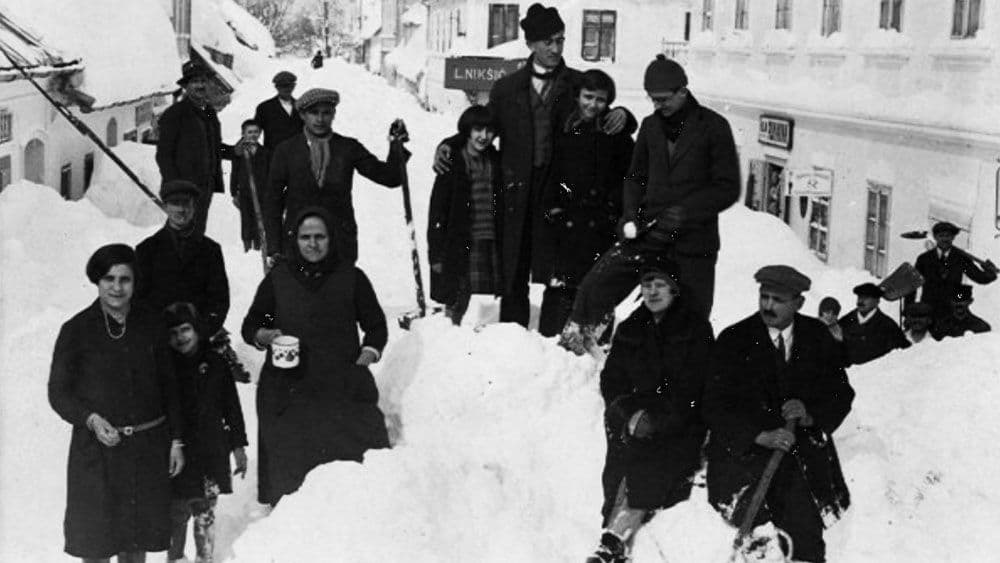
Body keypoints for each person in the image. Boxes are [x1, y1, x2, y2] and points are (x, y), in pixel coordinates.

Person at [433, 3, 634, 328]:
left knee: (561, 271)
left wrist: (625, 115)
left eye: (560, 40)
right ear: (531, 44)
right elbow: (484, 127)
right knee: (515, 268)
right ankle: (514, 339)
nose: (556, 48)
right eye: (548, 42)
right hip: (517, 196)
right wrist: (451, 144)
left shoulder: (577, 83)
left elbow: (603, 110)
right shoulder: (506, 88)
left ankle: (554, 341)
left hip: (562, 196)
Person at [561, 54, 740, 353]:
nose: (658, 106)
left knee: (690, 319)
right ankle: (576, 348)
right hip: (650, 234)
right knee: (596, 284)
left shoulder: (713, 126)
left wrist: (684, 213)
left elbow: (728, 187)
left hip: (693, 242)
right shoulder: (650, 126)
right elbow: (635, 178)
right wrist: (629, 214)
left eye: (663, 99)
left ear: (682, 91)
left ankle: (683, 380)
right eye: (652, 100)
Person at [704, 265, 854, 563]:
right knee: (757, 533)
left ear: (798, 303)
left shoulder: (817, 337)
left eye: (777, 300)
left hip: (799, 452)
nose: (768, 306)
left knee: (804, 532)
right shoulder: (734, 339)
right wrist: (759, 436)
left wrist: (810, 415)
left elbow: (841, 393)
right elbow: (713, 403)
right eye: (764, 296)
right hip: (745, 453)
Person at [242, 207, 390, 505]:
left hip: (339, 383)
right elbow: (251, 324)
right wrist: (265, 336)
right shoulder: (279, 278)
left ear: (331, 239)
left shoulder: (351, 277)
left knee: (356, 474)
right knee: (293, 473)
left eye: (319, 237)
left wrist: (368, 355)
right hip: (289, 384)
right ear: (294, 240)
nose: (312, 244)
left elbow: (376, 326)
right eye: (305, 237)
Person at [49, 244, 184, 563]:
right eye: (109, 279)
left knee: (135, 542)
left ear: (135, 283)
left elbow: (170, 388)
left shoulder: (152, 325)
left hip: (144, 451)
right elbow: (58, 393)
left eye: (125, 279)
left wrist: (176, 440)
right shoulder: (76, 331)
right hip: (96, 455)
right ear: (97, 281)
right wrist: (91, 419)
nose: (117, 287)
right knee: (96, 543)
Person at [585, 257, 712, 563]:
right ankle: (616, 530)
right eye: (647, 285)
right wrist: (628, 413)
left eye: (660, 285)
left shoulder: (694, 328)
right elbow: (612, 379)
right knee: (625, 458)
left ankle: (614, 538)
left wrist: (659, 420)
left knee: (648, 456)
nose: (653, 292)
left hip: (681, 418)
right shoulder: (632, 327)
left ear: (674, 290)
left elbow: (698, 385)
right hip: (634, 416)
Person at [536, 69, 634, 337]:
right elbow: (553, 171)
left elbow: (629, 178)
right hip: (565, 225)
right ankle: (550, 342)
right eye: (588, 97)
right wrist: (553, 207)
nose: (593, 104)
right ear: (577, 96)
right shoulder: (566, 128)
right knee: (560, 289)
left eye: (600, 100)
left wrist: (613, 212)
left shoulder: (618, 135)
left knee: (597, 288)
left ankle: (592, 349)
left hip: (600, 227)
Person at [264, 88, 409, 264]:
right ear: (302, 115)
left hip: (340, 245)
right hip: (298, 244)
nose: (320, 119)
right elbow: (273, 201)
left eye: (326, 113)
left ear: (334, 114)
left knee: (340, 291)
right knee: (299, 291)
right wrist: (274, 248)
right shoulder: (286, 151)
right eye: (313, 113)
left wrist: (396, 146)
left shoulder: (347, 148)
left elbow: (390, 177)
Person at [163, 302, 247, 563]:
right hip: (179, 452)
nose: (181, 338)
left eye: (185, 329)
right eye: (174, 333)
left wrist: (238, 447)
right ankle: (175, 557)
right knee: (177, 511)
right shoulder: (165, 367)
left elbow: (231, 407)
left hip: (211, 449)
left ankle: (205, 557)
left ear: (197, 329)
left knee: (205, 510)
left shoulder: (216, 363)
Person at [427, 105, 502, 325]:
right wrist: (436, 254)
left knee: (487, 292)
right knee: (458, 294)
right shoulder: (452, 163)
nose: (484, 136)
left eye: (489, 131)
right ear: (467, 131)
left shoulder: (496, 161)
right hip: (461, 239)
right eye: (478, 130)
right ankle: (451, 330)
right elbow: (437, 211)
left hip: (489, 237)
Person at [135, 180, 230, 338]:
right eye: (175, 203)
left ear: (194, 208)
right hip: (160, 335)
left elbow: (219, 299)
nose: (181, 209)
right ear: (165, 207)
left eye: (186, 203)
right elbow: (139, 299)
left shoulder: (210, 250)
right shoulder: (146, 249)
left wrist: (203, 331)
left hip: (199, 334)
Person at [156, 61, 232, 234]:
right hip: (183, 190)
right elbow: (164, 156)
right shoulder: (174, 114)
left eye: (203, 81)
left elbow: (213, 146)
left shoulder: (209, 112)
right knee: (180, 233)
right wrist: (175, 189)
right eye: (195, 82)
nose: (200, 85)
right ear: (186, 86)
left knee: (197, 232)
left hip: (205, 187)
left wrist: (235, 152)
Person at [912, 221, 997, 324]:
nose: (944, 239)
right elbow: (912, 285)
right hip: (929, 311)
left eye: (948, 236)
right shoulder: (924, 259)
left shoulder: (961, 259)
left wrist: (990, 272)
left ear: (953, 238)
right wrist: (909, 310)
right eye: (941, 236)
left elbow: (979, 277)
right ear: (935, 237)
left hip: (953, 312)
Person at [838, 282, 909, 366]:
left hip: (876, 375)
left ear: (877, 301)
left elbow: (902, 355)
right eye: (859, 297)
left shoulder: (888, 325)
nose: (860, 301)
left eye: (866, 298)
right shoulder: (845, 322)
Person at [229, 119, 271, 252]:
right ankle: (247, 248)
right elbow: (234, 172)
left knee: (261, 220)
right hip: (245, 192)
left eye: (256, 132)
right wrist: (234, 192)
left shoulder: (266, 152)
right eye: (250, 132)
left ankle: (260, 246)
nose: (253, 135)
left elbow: (270, 173)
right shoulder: (239, 153)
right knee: (247, 221)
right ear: (243, 133)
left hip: (262, 192)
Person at [253, 71, 304, 151]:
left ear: (294, 86)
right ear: (276, 87)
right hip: (273, 157)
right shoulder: (264, 108)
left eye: (289, 86)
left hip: (298, 157)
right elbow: (253, 132)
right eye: (283, 86)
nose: (287, 89)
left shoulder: (302, 107)